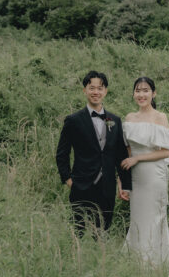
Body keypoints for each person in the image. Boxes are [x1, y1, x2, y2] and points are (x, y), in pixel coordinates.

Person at [56, 71, 132, 234]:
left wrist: (125, 185)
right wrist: (68, 180)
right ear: (85, 90)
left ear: (105, 91)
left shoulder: (114, 120)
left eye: (100, 88)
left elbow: (120, 154)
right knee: (78, 231)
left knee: (103, 232)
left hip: (107, 187)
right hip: (81, 185)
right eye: (92, 88)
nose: (96, 92)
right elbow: (62, 153)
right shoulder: (73, 120)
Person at [121, 76, 169, 268]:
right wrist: (123, 183)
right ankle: (136, 263)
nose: (141, 94)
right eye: (138, 90)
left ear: (153, 94)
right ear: (133, 93)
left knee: (154, 219)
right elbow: (126, 153)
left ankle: (153, 265)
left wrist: (138, 158)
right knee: (137, 219)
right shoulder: (129, 118)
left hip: (154, 176)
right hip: (135, 177)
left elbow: (165, 151)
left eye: (145, 90)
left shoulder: (160, 118)